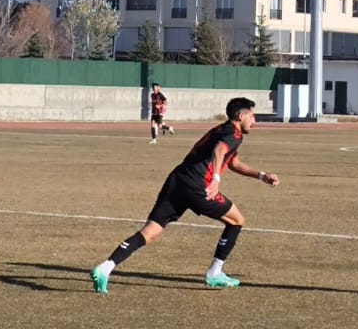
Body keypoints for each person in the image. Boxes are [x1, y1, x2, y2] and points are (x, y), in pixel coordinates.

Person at [90, 97, 280, 294]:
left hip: (177, 180)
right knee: (236, 220)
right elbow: (218, 151)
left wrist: (261, 175)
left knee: (151, 231)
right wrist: (215, 178)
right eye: (252, 116)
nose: (254, 121)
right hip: (197, 185)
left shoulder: (221, 130)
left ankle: (105, 268)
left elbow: (233, 162)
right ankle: (215, 273)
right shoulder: (234, 134)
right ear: (241, 116)